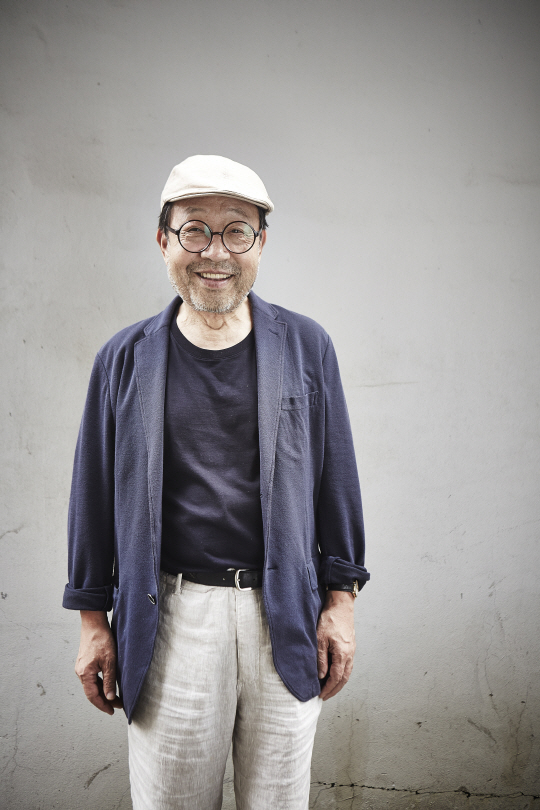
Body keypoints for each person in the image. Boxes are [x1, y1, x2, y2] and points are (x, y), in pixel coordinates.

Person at [63, 154, 370, 810]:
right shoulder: (123, 359)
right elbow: (91, 492)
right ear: (163, 240)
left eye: (236, 231)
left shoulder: (305, 346)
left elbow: (336, 479)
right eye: (194, 230)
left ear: (261, 243)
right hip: (169, 615)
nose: (215, 251)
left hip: (284, 613)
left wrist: (340, 603)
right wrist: (92, 619)